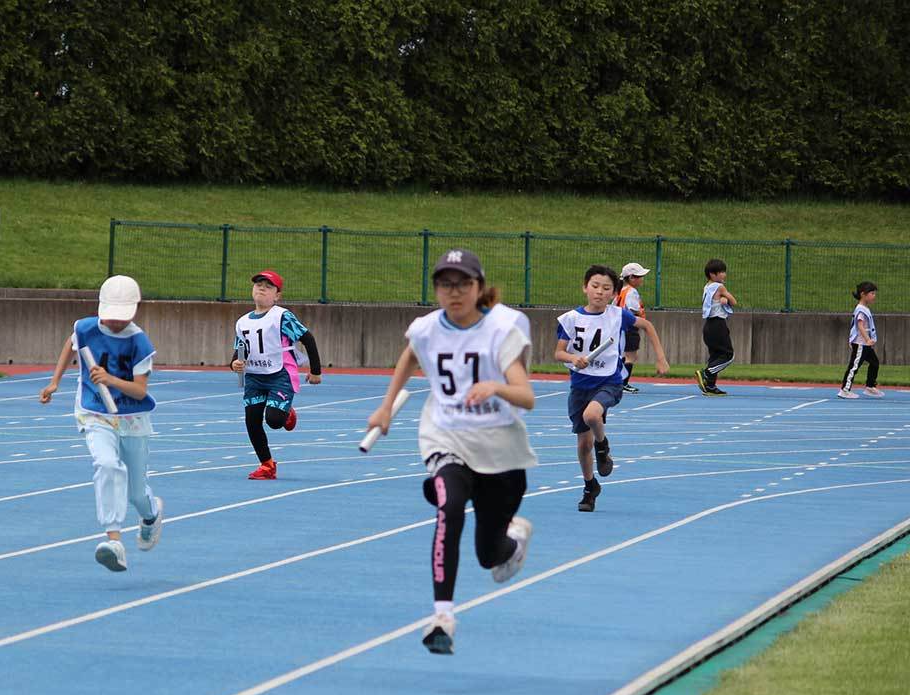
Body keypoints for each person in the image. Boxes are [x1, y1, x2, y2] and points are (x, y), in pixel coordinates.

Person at [365, 248, 537, 655]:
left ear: (479, 287)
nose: (454, 292)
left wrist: (495, 387)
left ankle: (512, 541)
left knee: (488, 555)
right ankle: (442, 617)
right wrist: (386, 406)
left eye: (463, 284)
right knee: (449, 506)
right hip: (445, 437)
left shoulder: (501, 330)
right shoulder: (426, 329)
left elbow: (526, 396)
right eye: (445, 284)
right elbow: (410, 356)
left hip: (499, 449)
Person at [39, 275, 164, 572]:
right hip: (95, 413)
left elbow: (140, 391)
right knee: (106, 465)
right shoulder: (85, 327)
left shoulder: (139, 342)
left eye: (122, 316)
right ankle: (114, 540)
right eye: (111, 315)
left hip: (131, 418)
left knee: (136, 493)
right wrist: (55, 381)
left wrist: (110, 380)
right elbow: (71, 345)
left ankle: (151, 516)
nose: (116, 322)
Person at [555, 264, 670, 513]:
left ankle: (603, 445)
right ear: (585, 287)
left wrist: (660, 357)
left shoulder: (618, 315)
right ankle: (590, 487)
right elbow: (559, 352)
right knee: (582, 445)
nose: (600, 291)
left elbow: (647, 326)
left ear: (614, 293)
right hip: (580, 385)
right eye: (595, 286)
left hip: (609, 382)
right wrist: (573, 358)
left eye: (606, 288)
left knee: (592, 415)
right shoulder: (571, 319)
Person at [229, 269, 323, 479]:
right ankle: (267, 465)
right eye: (258, 285)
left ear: (277, 295)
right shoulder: (242, 322)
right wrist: (234, 364)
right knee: (252, 421)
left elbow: (307, 339)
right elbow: (239, 351)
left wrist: (315, 371)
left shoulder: (281, 316)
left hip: (279, 374)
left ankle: (285, 411)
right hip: (254, 376)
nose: (262, 289)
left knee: (274, 420)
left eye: (268, 286)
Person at [695, 258, 736, 396]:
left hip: (708, 325)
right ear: (712, 274)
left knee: (715, 356)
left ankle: (710, 386)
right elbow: (734, 301)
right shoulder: (720, 287)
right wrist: (726, 299)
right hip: (718, 324)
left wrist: (722, 299)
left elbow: (714, 300)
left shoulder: (707, 287)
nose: (724, 275)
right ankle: (706, 373)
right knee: (728, 355)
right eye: (721, 272)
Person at [838, 281, 883, 399]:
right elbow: (860, 325)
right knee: (854, 366)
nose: (874, 296)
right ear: (863, 294)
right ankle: (844, 390)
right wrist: (868, 339)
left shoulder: (865, 308)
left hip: (865, 344)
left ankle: (870, 386)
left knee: (874, 363)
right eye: (872, 293)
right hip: (860, 344)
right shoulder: (861, 309)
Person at [616, 262, 650, 393]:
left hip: (619, 326)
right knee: (631, 356)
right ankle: (623, 383)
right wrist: (641, 318)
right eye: (640, 276)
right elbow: (633, 310)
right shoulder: (631, 291)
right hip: (630, 326)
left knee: (623, 355)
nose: (642, 279)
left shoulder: (620, 290)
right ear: (631, 277)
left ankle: (619, 381)